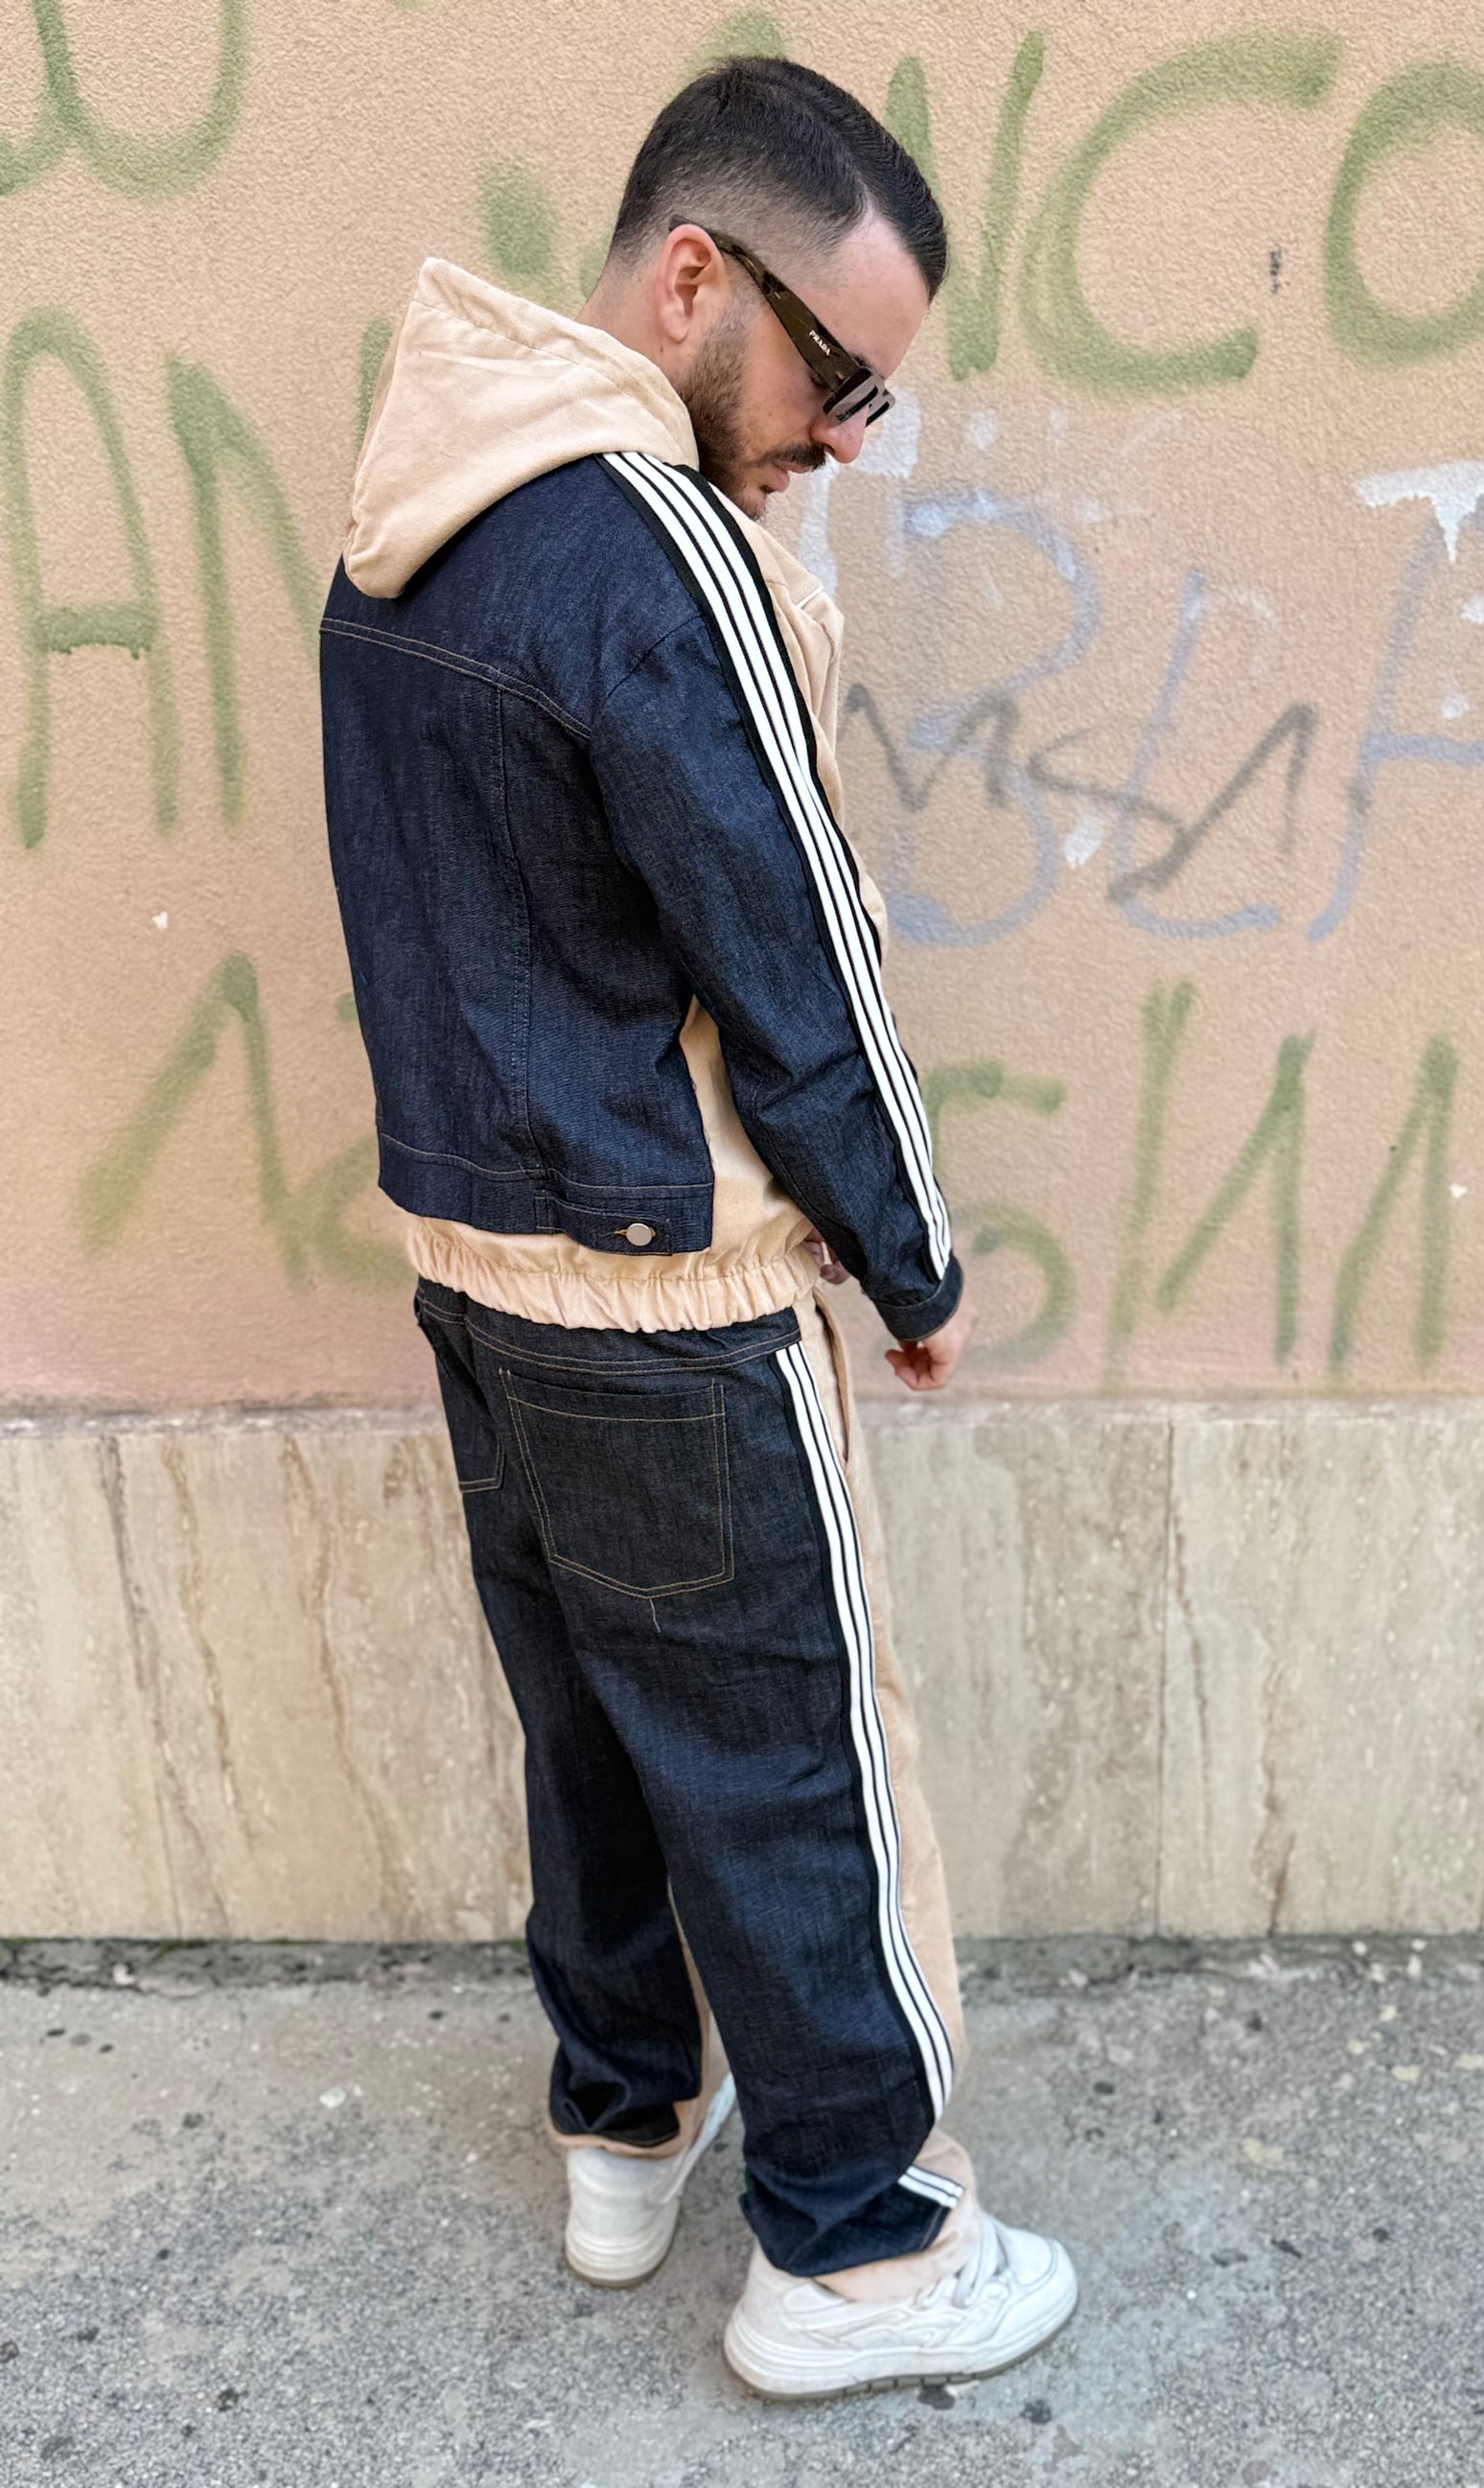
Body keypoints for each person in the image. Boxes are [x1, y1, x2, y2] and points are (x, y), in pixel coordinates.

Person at [319, 55, 1076, 2399]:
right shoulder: (653, 552)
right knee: (786, 1763)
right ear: (688, 277)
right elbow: (796, 948)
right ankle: (856, 2246)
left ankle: (623, 2121)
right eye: (835, 372)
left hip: (478, 1266)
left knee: (592, 1729)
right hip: (672, 1284)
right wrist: (910, 1255)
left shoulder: (411, 517)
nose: (841, 434)